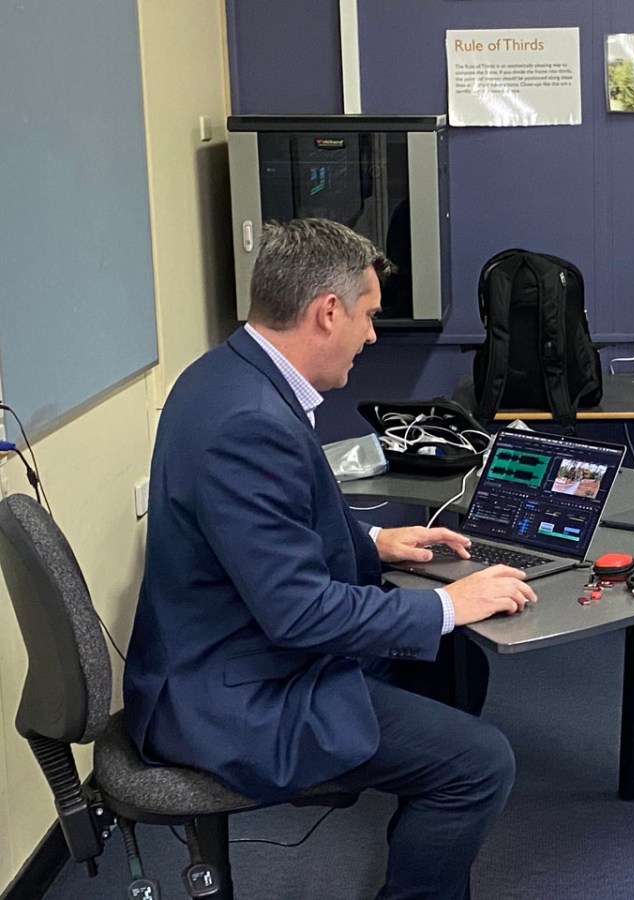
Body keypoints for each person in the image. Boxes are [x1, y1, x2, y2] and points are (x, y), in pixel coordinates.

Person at [123, 218, 537, 899]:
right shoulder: (250, 422)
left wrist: (374, 542)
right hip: (232, 694)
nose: (371, 335)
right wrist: (446, 603)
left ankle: (424, 832)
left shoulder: (224, 374)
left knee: (453, 664)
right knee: (480, 763)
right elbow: (299, 614)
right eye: (369, 315)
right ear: (327, 312)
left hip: (226, 644)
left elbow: (265, 528)